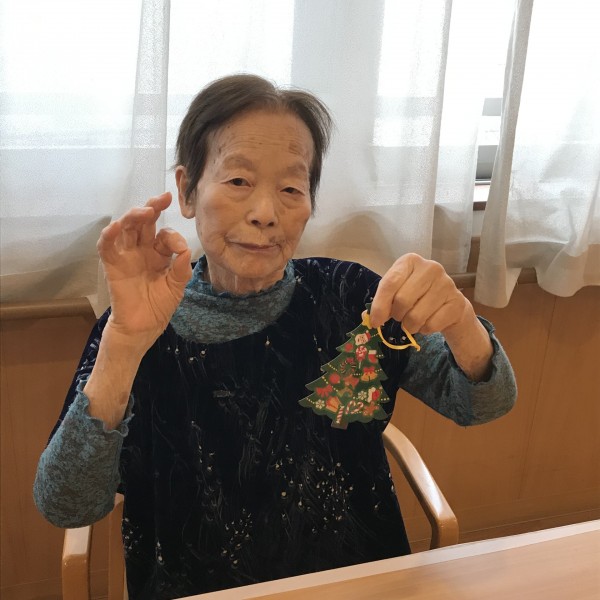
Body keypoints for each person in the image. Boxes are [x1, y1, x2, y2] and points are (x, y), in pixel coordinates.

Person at [34, 74, 516, 600]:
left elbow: (483, 402)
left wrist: (462, 322)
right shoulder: (137, 324)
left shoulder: (352, 296)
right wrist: (124, 344)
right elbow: (67, 503)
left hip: (357, 585)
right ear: (187, 190)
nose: (265, 214)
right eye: (238, 181)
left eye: (290, 189)